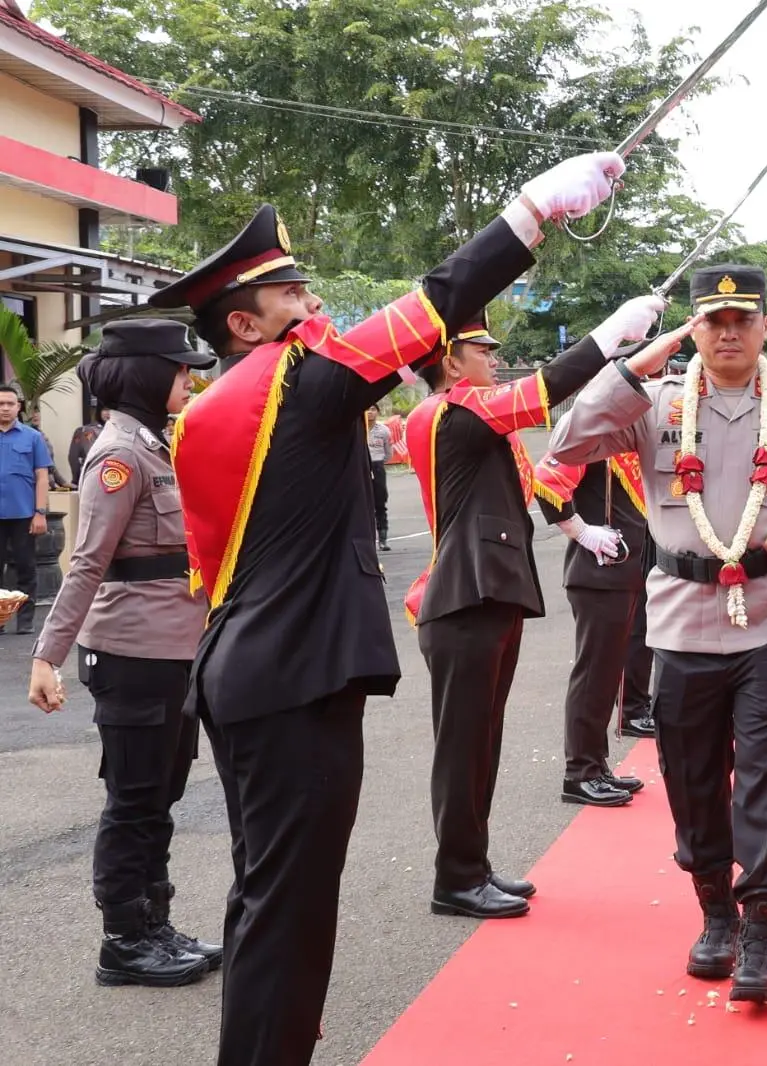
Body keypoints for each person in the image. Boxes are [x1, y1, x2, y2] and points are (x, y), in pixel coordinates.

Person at [153, 150, 623, 1066]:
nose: (313, 304)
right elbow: (433, 302)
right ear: (246, 325)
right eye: (291, 295)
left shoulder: (243, 403)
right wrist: (532, 210)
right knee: (288, 911)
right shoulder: (294, 386)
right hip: (292, 681)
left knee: (272, 901)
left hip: (260, 671)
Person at [549, 264, 767, 1004]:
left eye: (740, 320)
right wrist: (637, 361)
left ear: (763, 328)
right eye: (710, 321)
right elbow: (566, 438)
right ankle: (715, 909)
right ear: (693, 329)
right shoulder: (651, 406)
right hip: (683, 623)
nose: (726, 333)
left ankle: (760, 927)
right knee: (691, 781)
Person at [405, 303, 657, 918]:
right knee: (464, 747)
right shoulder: (455, 412)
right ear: (448, 362)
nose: (493, 358)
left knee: (482, 741)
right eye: (481, 350)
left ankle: (473, 863)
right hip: (466, 598)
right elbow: (550, 387)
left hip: (486, 595)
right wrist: (613, 335)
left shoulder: (464, 416)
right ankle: (456, 878)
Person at [26, 320, 220, 987]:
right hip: (132, 654)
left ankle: (154, 923)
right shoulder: (119, 456)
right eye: (179, 369)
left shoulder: (155, 444)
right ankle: (123, 942)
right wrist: (45, 656)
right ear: (145, 374)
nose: (189, 380)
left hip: (173, 652)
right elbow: (86, 563)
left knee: (159, 796)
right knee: (134, 800)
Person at [535, 425, 657, 809]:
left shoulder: (621, 434)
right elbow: (547, 481)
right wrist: (582, 532)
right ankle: (580, 772)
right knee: (593, 676)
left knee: (606, 677)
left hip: (623, 572)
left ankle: (596, 765)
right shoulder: (591, 431)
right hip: (599, 572)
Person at [0, 384, 51, 634]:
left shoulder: (32, 437)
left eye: (10, 404)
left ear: (18, 407)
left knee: (26, 567)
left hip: (23, 514)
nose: (5, 408)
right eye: (1, 404)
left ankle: (26, 620)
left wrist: (40, 512)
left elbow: (42, 476)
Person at [365, 407, 393, 550]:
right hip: (361, 467)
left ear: (378, 412)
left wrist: (379, 464)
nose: (370, 412)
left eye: (373, 409)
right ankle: (366, 540)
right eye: (367, 409)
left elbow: (388, 453)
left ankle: (383, 540)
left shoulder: (383, 431)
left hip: (377, 466)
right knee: (362, 504)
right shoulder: (357, 429)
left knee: (380, 503)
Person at [69, 407, 111, 487]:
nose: (109, 413)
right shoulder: (86, 430)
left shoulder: (117, 431)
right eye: (105, 409)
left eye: (112, 410)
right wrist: (76, 479)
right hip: (92, 478)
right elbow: (73, 457)